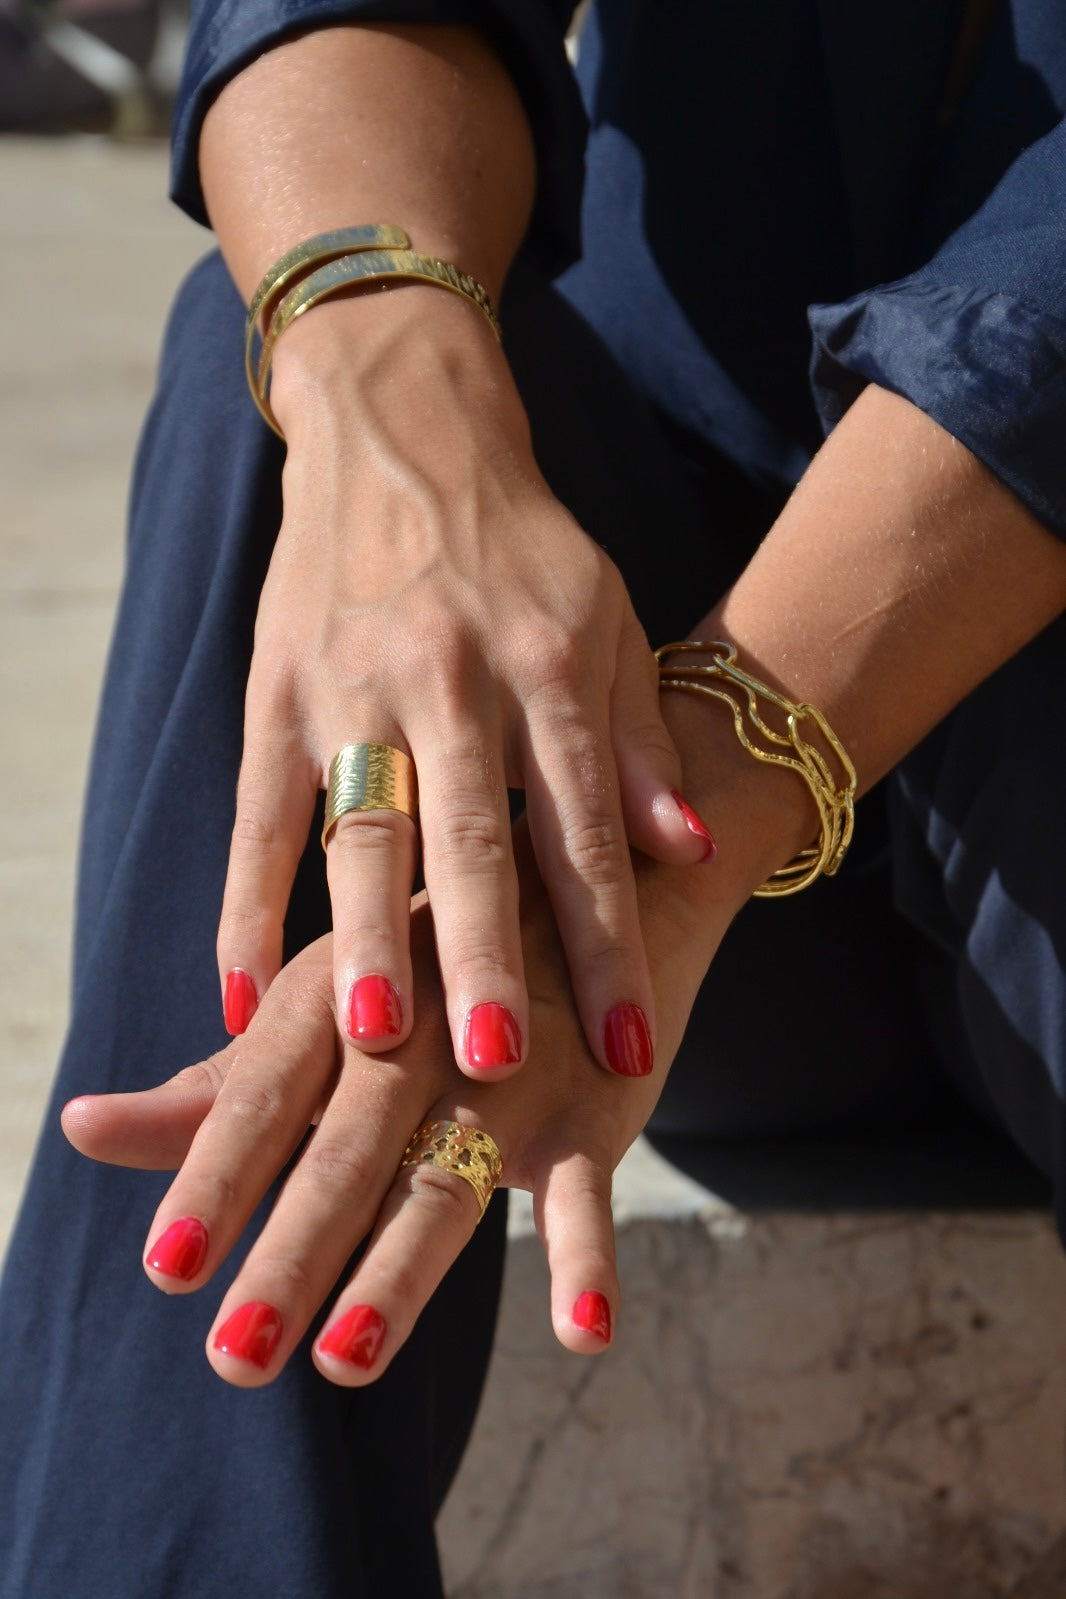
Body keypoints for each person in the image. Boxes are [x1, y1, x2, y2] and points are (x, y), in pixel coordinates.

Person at [3, 3, 1066, 1595]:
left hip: (919, 790)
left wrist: (694, 788)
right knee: (281, 400)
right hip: (670, 887)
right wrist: (384, 393)